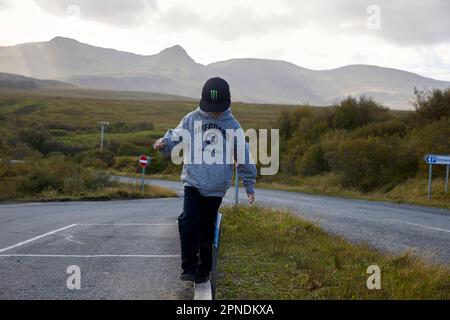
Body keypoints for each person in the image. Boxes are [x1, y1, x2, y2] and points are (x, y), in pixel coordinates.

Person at [154, 77, 257, 283]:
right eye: (212, 108)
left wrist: (249, 183)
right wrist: (163, 144)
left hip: (216, 187)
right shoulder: (192, 119)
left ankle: (204, 268)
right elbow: (174, 137)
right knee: (189, 221)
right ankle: (188, 268)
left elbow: (243, 155)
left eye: (218, 109)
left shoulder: (232, 125)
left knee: (207, 228)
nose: (215, 112)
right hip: (193, 181)